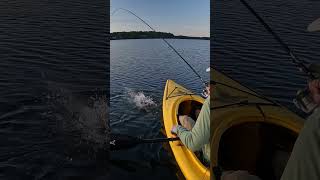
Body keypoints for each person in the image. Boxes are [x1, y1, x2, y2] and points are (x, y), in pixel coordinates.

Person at [171, 84, 211, 164]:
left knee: (185, 119)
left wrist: (176, 129)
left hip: (209, 160)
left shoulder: (211, 102)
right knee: (198, 112)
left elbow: (193, 143)